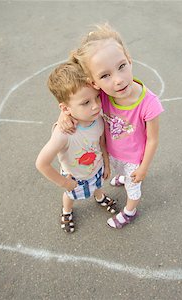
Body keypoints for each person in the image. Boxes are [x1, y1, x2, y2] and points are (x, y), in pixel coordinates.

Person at [58, 24, 164, 229]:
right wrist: (63, 113)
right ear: (94, 82)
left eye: (122, 66)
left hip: (135, 159)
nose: (118, 80)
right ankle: (123, 177)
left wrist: (143, 168)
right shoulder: (102, 95)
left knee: (134, 189)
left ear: (129, 59)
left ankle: (130, 211)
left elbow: (153, 139)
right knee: (120, 174)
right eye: (105, 75)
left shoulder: (149, 103)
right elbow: (73, 97)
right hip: (112, 153)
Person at [36, 61, 117, 233]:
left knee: (98, 184)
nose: (95, 105)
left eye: (96, 97)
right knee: (70, 196)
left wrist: (106, 163)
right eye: (85, 102)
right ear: (65, 108)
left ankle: (100, 197)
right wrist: (65, 183)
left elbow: (101, 142)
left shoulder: (98, 118)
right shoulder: (64, 133)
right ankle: (66, 211)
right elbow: (41, 163)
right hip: (75, 177)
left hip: (96, 167)